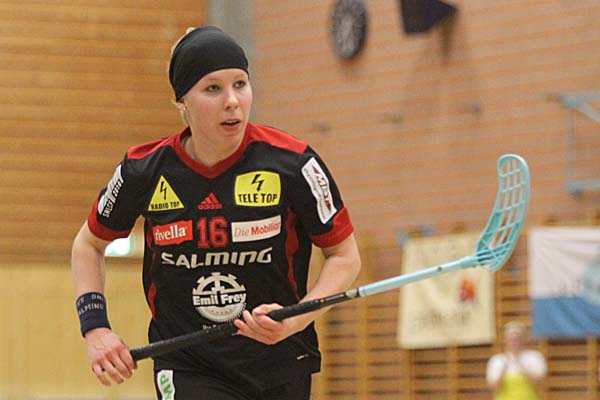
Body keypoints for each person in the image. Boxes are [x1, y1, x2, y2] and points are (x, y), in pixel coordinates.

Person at [71, 25, 361, 400]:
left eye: (240, 84)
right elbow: (89, 245)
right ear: (182, 101)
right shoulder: (143, 171)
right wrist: (95, 328)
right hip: (189, 366)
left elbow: (344, 256)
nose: (232, 101)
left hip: (282, 361)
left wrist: (296, 319)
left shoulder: (294, 164)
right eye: (213, 88)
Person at [486, 321, 547, 400]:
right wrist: (502, 372)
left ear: (524, 339)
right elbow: (493, 388)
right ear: (505, 340)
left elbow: (539, 382)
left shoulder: (535, 357)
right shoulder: (497, 360)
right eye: (511, 339)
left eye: (517, 339)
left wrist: (521, 366)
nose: (514, 342)